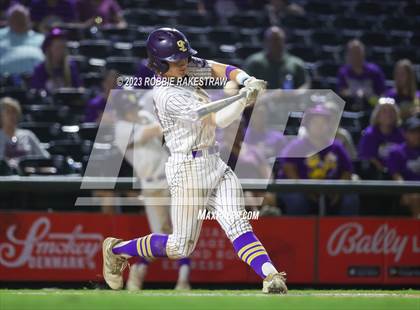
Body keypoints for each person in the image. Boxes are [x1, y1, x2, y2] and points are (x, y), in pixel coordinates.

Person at [102, 28, 287, 294]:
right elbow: (217, 120)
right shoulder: (166, 95)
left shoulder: (185, 68)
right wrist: (245, 98)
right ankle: (117, 249)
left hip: (214, 162)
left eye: (184, 58)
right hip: (187, 169)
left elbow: (218, 68)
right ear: (158, 63)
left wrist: (246, 79)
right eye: (176, 60)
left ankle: (270, 277)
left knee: (238, 224)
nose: (184, 63)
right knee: (180, 247)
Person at [111, 91, 192, 290]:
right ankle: (138, 271)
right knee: (160, 237)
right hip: (152, 186)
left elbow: (165, 133)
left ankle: (183, 280)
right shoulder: (120, 128)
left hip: (173, 179)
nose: (134, 113)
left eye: (134, 108)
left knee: (184, 231)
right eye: (129, 110)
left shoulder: (145, 116)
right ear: (123, 111)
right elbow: (151, 131)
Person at [279, 105, 359, 215]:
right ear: (307, 125)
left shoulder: (337, 146)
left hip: (332, 190)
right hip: (301, 189)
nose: (319, 126)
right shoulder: (296, 146)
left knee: (350, 198)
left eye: (323, 123)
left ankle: (345, 229)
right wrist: (305, 189)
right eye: (315, 122)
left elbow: (347, 170)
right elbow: (288, 168)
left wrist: (339, 190)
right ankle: (298, 231)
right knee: (297, 200)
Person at [244, 26, 310, 89]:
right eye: (273, 40)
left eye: (279, 40)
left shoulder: (296, 63)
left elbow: (305, 84)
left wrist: (295, 94)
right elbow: (246, 86)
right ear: (266, 42)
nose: (277, 43)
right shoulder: (254, 62)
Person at [358, 98, 404, 178]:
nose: (388, 114)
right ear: (377, 115)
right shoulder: (369, 134)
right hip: (376, 175)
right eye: (384, 111)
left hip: (398, 173)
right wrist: (384, 170)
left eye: (391, 111)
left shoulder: (401, 134)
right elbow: (367, 158)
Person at [337, 39, 386, 112]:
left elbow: (381, 95)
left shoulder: (374, 71)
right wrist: (354, 92)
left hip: (371, 108)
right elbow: (341, 93)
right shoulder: (344, 72)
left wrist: (368, 96)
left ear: (363, 53)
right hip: (350, 107)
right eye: (352, 53)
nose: (355, 56)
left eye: (357, 53)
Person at [386, 115, 420, 218]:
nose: (417, 135)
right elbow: (396, 176)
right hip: (407, 191)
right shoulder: (396, 151)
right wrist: (404, 191)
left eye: (419, 131)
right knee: (415, 197)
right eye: (413, 132)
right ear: (405, 134)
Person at [0, 97, 49, 167]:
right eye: (8, 112)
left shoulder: (28, 135)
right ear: (1, 116)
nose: (12, 116)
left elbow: (45, 157)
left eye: (14, 112)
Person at [31, 28, 82, 92]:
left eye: (62, 47)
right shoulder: (40, 69)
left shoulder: (71, 66)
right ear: (49, 49)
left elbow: (78, 88)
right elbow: (37, 91)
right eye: (57, 47)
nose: (60, 51)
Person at [0, 4, 44, 76]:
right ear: (8, 21)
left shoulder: (40, 38)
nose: (19, 21)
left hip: (35, 80)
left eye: (22, 18)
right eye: (16, 18)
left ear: (28, 20)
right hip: (5, 81)